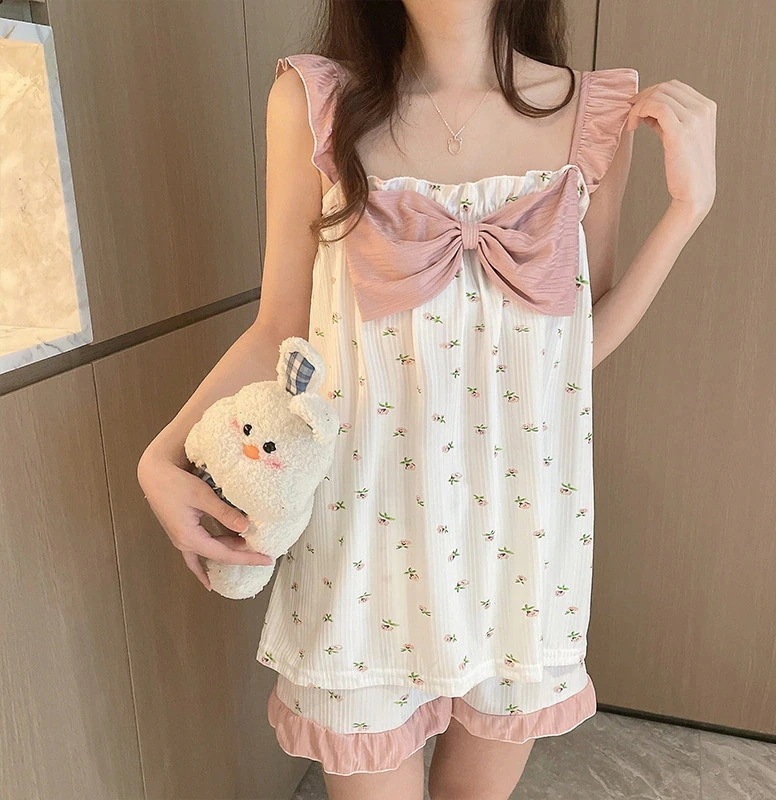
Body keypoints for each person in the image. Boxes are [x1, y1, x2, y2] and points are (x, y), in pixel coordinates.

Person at [137, 1, 716, 798]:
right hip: (365, 540)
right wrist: (160, 457)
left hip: (520, 542)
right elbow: (279, 328)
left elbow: (570, 354)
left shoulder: (595, 117)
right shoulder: (314, 103)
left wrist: (686, 213)